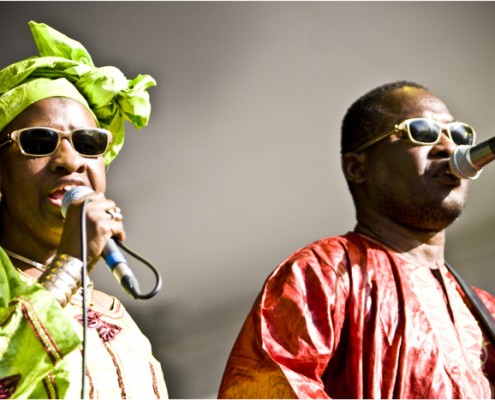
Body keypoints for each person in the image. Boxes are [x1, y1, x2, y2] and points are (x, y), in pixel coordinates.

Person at [218, 80, 495, 398]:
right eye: (421, 131)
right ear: (357, 167)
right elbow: (264, 389)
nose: (450, 148)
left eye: (459, 135)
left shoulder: (485, 309)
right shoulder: (323, 272)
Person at [0, 21, 168, 398]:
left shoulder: (118, 316)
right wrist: (70, 263)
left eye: (88, 142)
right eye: (39, 141)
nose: (69, 160)